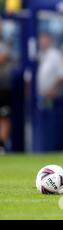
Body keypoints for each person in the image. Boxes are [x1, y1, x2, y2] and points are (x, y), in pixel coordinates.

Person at [37, 32, 63, 106]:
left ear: (50, 40)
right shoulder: (37, 54)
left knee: (47, 114)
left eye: (45, 39)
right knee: (35, 115)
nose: (42, 42)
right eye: (41, 40)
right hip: (37, 95)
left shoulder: (56, 54)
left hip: (51, 95)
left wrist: (53, 89)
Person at [0, 20, 12, 154]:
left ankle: (2, 145)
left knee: (4, 115)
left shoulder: (6, 42)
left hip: (3, 85)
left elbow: (3, 57)